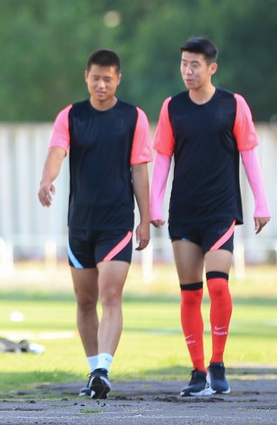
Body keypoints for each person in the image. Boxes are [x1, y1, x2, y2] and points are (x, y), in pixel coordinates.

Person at [150, 37, 270, 397]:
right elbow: (161, 159)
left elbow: (249, 155)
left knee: (218, 285)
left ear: (211, 68)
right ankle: (198, 371)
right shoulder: (172, 107)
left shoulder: (233, 105)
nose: (188, 71)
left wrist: (262, 204)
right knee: (190, 294)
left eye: (195, 65)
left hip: (221, 208)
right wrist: (154, 204)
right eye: (184, 64)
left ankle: (218, 363)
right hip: (184, 210)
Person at [38, 49, 151, 400]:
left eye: (108, 78)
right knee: (85, 300)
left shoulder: (133, 117)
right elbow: (57, 152)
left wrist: (146, 218)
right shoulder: (71, 116)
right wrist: (46, 179)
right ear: (86, 76)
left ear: (118, 79)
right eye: (95, 77)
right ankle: (93, 371)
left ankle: (103, 367)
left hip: (117, 221)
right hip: (80, 223)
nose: (101, 84)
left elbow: (139, 170)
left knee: (110, 294)